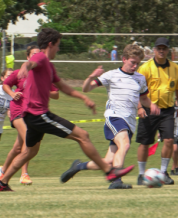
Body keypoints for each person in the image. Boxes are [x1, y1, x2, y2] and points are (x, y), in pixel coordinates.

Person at [0, 28, 134, 192]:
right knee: (83, 136)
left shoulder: (50, 67)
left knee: (29, 152)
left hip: (31, 116)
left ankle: (2, 183)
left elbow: (63, 88)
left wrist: (84, 98)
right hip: (39, 115)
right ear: (51, 44)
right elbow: (31, 62)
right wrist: (25, 66)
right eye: (58, 45)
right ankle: (109, 171)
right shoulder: (41, 58)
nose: (59, 49)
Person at [67, 44, 157, 189]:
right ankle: (116, 182)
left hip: (130, 122)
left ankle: (79, 166)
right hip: (114, 117)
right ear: (124, 59)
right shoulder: (111, 75)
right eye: (132, 62)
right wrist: (91, 76)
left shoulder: (140, 78)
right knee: (125, 144)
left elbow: (144, 99)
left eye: (137, 63)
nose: (135, 66)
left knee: (109, 161)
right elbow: (86, 88)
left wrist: (152, 105)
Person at [0, 45, 59, 186]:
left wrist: (43, 89)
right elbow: (5, 85)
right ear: (27, 57)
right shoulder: (20, 72)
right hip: (18, 110)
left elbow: (56, 94)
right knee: (28, 139)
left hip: (31, 112)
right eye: (33, 54)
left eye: (39, 54)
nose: (36, 57)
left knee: (18, 148)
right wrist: (13, 94)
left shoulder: (43, 75)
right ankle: (24, 174)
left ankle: (3, 170)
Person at [135, 37, 178, 185]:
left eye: (164, 48)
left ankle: (163, 173)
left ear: (168, 50)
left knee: (169, 140)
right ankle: (141, 174)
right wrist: (139, 107)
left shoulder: (175, 68)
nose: (161, 51)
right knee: (145, 142)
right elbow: (135, 89)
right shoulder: (145, 68)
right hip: (149, 110)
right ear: (154, 50)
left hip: (167, 110)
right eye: (159, 48)